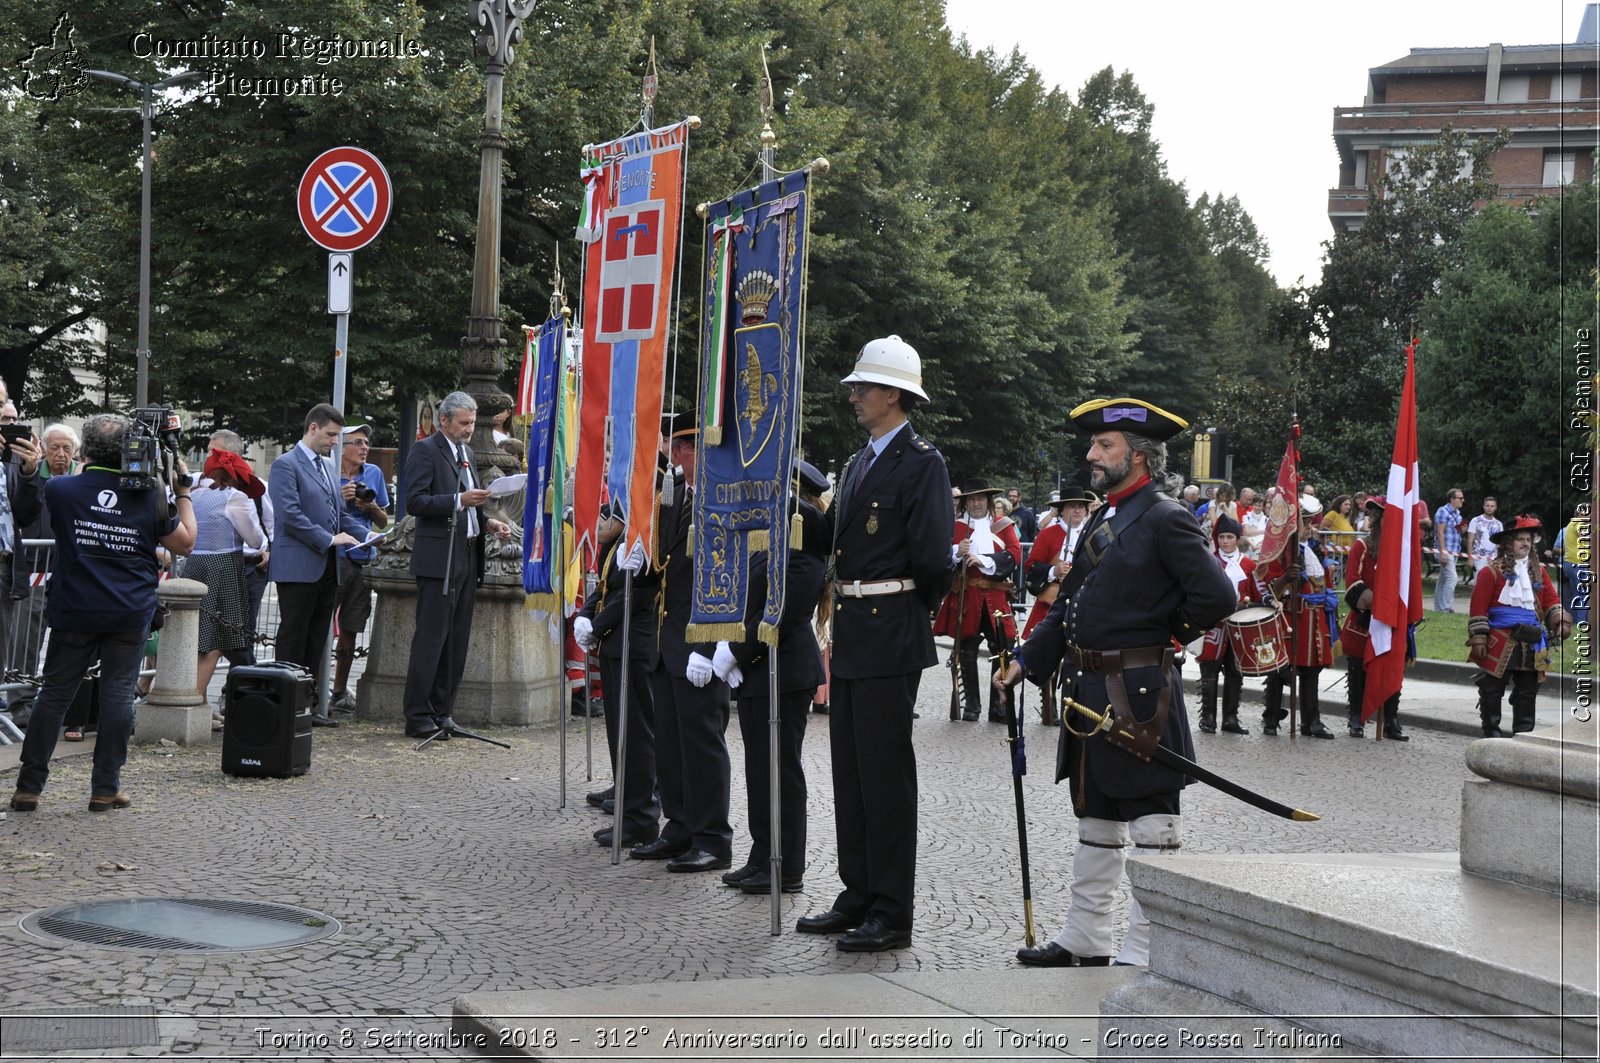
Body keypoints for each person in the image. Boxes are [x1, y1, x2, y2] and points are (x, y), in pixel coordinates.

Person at [997, 397, 1234, 969]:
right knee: (1096, 816)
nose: (1091, 454)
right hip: (1090, 692)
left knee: (1152, 818)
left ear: (1141, 456)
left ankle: (1147, 946)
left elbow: (1217, 597)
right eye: (1095, 445)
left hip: (1139, 694)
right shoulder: (1103, 518)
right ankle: (1087, 936)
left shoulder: (1166, 517)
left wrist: (1158, 638)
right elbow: (1067, 607)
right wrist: (1027, 660)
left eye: (1104, 446)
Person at [798, 335, 953, 953]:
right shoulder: (861, 460)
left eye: (864, 386)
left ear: (894, 394)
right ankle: (857, 891)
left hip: (891, 629)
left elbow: (934, 559)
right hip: (856, 631)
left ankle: (892, 908)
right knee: (851, 773)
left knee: (886, 777)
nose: (854, 395)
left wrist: (904, 608)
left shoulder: (922, 462)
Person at [10, 414, 196, 812]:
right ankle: (104, 788)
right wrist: (182, 493)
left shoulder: (62, 489)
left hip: (74, 607)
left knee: (55, 693)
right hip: (128, 610)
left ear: (86, 450)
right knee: (116, 698)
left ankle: (28, 787)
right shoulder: (150, 495)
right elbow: (185, 544)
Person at [716, 460, 831, 894]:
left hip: (784, 669)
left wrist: (737, 651)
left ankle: (787, 866)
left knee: (782, 772)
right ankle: (762, 855)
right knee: (761, 771)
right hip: (758, 670)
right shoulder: (772, 541)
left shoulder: (804, 546)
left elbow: (782, 612)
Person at [629, 419, 735, 873]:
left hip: (699, 642)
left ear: (703, 451)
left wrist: (711, 648)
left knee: (701, 744)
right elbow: (667, 563)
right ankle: (680, 825)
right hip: (667, 640)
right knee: (669, 743)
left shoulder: (720, 500)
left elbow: (727, 578)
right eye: (675, 448)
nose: (674, 455)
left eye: (684, 448)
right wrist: (642, 557)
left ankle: (712, 837)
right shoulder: (675, 494)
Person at [400, 392, 509, 741]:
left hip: (467, 554)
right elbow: (415, 502)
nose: (469, 429)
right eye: (464, 423)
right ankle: (417, 715)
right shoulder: (425, 450)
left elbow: (470, 500)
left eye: (473, 423)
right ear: (443, 420)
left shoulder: (468, 452)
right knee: (431, 639)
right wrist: (458, 501)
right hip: (438, 560)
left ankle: (443, 711)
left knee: (457, 640)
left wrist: (488, 522)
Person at [574, 501, 662, 849]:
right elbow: (604, 586)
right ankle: (628, 805)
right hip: (615, 645)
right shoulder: (622, 542)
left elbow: (635, 594)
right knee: (618, 732)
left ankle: (640, 816)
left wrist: (596, 626)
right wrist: (584, 614)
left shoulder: (647, 540)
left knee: (636, 734)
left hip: (635, 646)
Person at [269, 404, 363, 728]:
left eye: (337, 436)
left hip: (326, 567)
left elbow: (341, 514)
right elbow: (290, 516)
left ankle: (305, 710)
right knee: (293, 637)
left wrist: (370, 536)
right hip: (299, 566)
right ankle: (284, 709)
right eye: (331, 435)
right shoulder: (285, 464)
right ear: (312, 428)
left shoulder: (326, 465)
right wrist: (329, 539)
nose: (335, 442)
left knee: (316, 640)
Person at [1468, 515, 1572, 737]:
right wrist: (1478, 638)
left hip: (1534, 640)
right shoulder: (1490, 572)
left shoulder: (1540, 572)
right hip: (1500, 638)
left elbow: (1551, 601)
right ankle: (1491, 733)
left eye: (1529, 539)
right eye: (1520, 539)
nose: (1526, 543)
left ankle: (1523, 736)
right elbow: (1478, 608)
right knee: (1491, 689)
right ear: (1508, 543)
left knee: (1529, 690)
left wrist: (1560, 620)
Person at [934, 479, 1021, 722]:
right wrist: (955, 552)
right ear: (965, 503)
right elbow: (940, 556)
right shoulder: (956, 527)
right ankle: (972, 705)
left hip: (995, 596)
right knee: (968, 650)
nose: (976, 503)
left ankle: (999, 706)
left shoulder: (1003, 526)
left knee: (1002, 648)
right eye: (971, 499)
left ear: (989, 501)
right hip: (967, 596)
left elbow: (1014, 553)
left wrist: (984, 560)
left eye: (980, 499)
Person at [8, 420, 76, 728]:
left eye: (67, 448)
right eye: (54, 448)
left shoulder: (80, 479)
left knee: (69, 641)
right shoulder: (31, 475)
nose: (60, 454)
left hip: (69, 575)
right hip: (35, 570)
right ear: (43, 449)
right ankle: (21, 700)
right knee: (26, 638)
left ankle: (62, 701)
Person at [189, 446, 266, 716]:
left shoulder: (194, 495)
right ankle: (196, 704)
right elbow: (255, 540)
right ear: (237, 479)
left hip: (193, 566)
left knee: (196, 637)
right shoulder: (236, 498)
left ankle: (199, 703)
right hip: (224, 567)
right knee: (219, 639)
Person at [1260, 496, 1339, 739]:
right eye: (1304, 522)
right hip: (1291, 617)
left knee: (1311, 671)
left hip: (1314, 619)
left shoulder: (1313, 550)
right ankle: (1271, 718)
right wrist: (1287, 577)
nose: (1309, 527)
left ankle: (1311, 722)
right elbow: (1269, 588)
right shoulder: (1282, 552)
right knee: (1279, 669)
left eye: (1309, 521)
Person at [1020, 482, 1097, 726]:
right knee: (1049, 653)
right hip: (1052, 602)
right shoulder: (1049, 535)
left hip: (1084, 603)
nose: (1077, 512)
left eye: (1081, 507)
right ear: (1062, 510)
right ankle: (1049, 703)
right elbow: (1031, 566)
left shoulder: (1092, 534)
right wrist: (1054, 570)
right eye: (1072, 507)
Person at [330, 423, 390, 713]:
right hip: (335, 556)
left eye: (367, 443)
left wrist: (370, 507)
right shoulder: (328, 471)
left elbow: (382, 521)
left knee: (352, 627)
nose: (365, 447)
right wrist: (339, 498)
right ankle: (312, 685)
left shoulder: (374, 474)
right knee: (322, 625)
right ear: (342, 446)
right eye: (358, 442)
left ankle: (339, 691)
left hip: (363, 557)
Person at [1339, 496, 1409, 740]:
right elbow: (1353, 585)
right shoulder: (1363, 547)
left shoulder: (1404, 550)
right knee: (1358, 671)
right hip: (1365, 620)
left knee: (1392, 670)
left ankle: (1390, 719)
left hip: (1394, 622)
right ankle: (1356, 717)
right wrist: (1380, 603)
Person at [209, 429, 272, 667]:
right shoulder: (201, 487)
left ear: (233, 455)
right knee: (213, 631)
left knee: (243, 632)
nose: (209, 456)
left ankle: (241, 686)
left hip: (250, 566)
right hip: (217, 564)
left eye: (215, 451)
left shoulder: (257, 488)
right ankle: (248, 681)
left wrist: (268, 550)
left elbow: (270, 525)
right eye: (208, 452)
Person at [1194, 515, 1257, 736]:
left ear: (1237, 539)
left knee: (1235, 671)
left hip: (1240, 626)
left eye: (1229, 537)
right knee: (1209, 670)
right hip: (1215, 625)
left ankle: (1230, 718)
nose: (1225, 541)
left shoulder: (1248, 564)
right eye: (1221, 537)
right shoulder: (1209, 561)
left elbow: (1257, 591)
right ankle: (1208, 718)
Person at [0, 391, 44, 671]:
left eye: (13, 419)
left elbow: (26, 515)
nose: (8, 423)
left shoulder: (11, 460)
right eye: (4, 417)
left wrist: (30, 473)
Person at [1552, 506, 1590, 625]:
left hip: (1569, 562)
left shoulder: (1570, 525)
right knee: (1583, 594)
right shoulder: (1580, 524)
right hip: (1578, 562)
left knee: (1575, 593)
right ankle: (1581, 622)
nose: (1590, 517)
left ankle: (1574, 622)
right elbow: (1585, 537)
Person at [1432, 489, 1465, 612]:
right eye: (1460, 498)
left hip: (1454, 550)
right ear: (1452, 499)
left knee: (1443, 580)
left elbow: (1455, 531)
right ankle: (1446, 608)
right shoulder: (1443, 511)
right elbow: (1440, 533)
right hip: (1445, 550)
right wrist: (1443, 551)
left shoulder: (1458, 514)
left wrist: (1462, 530)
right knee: (1452, 578)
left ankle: (1438, 609)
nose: (1462, 500)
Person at [1464, 497, 1502, 580]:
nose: (1489, 508)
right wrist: (1470, 558)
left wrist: (1499, 559)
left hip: (1494, 559)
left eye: (1492, 506)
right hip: (1478, 558)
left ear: (1495, 508)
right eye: (1487, 505)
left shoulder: (1499, 524)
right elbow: (1470, 540)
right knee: (1479, 583)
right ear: (1483, 506)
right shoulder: (1475, 520)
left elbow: (1500, 544)